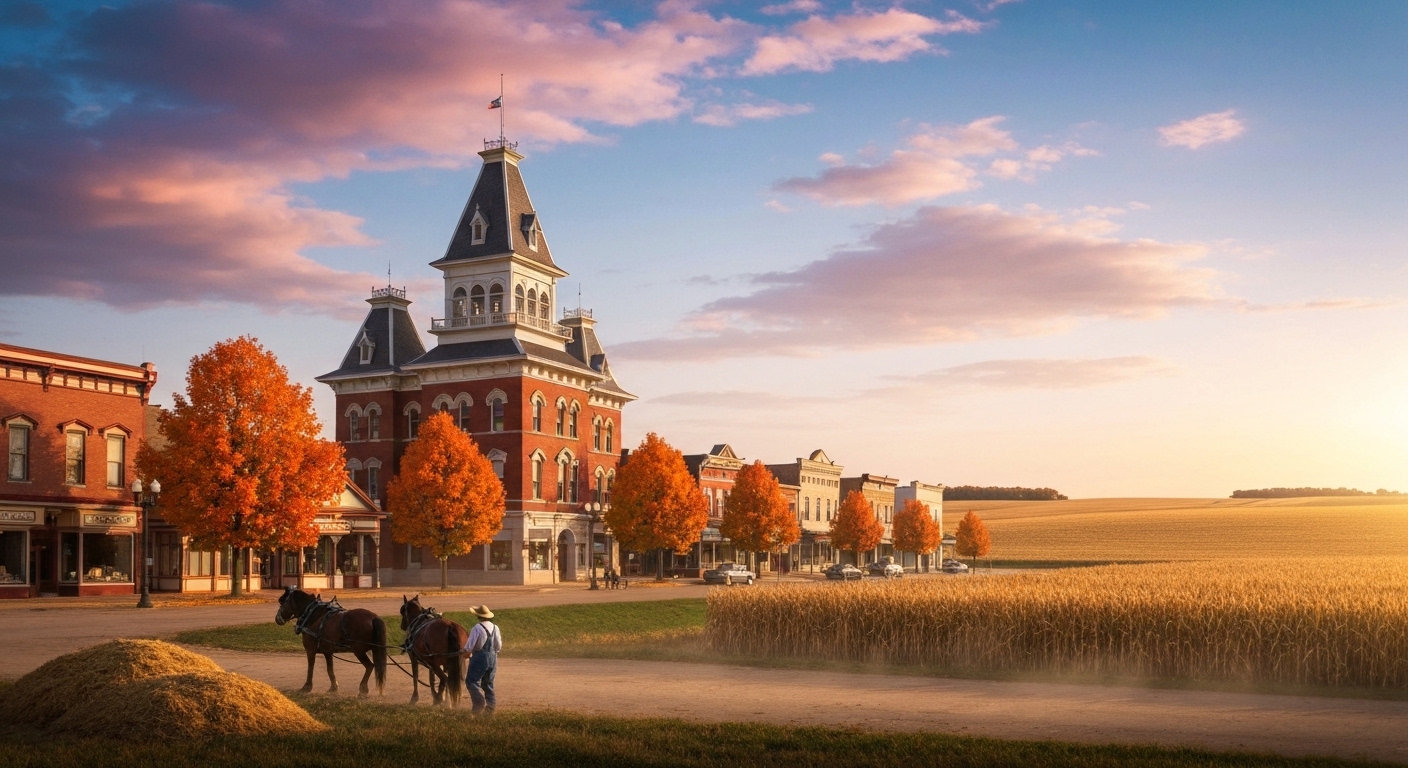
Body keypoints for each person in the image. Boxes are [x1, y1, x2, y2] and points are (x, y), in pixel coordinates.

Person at [462, 604, 501, 715]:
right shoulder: (495, 627)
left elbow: (469, 646)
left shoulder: (477, 628)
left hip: (480, 657)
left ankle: (478, 704)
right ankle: (490, 708)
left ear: (478, 616)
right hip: (493, 657)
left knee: (472, 682)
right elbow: (498, 646)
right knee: (488, 683)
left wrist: (463, 651)